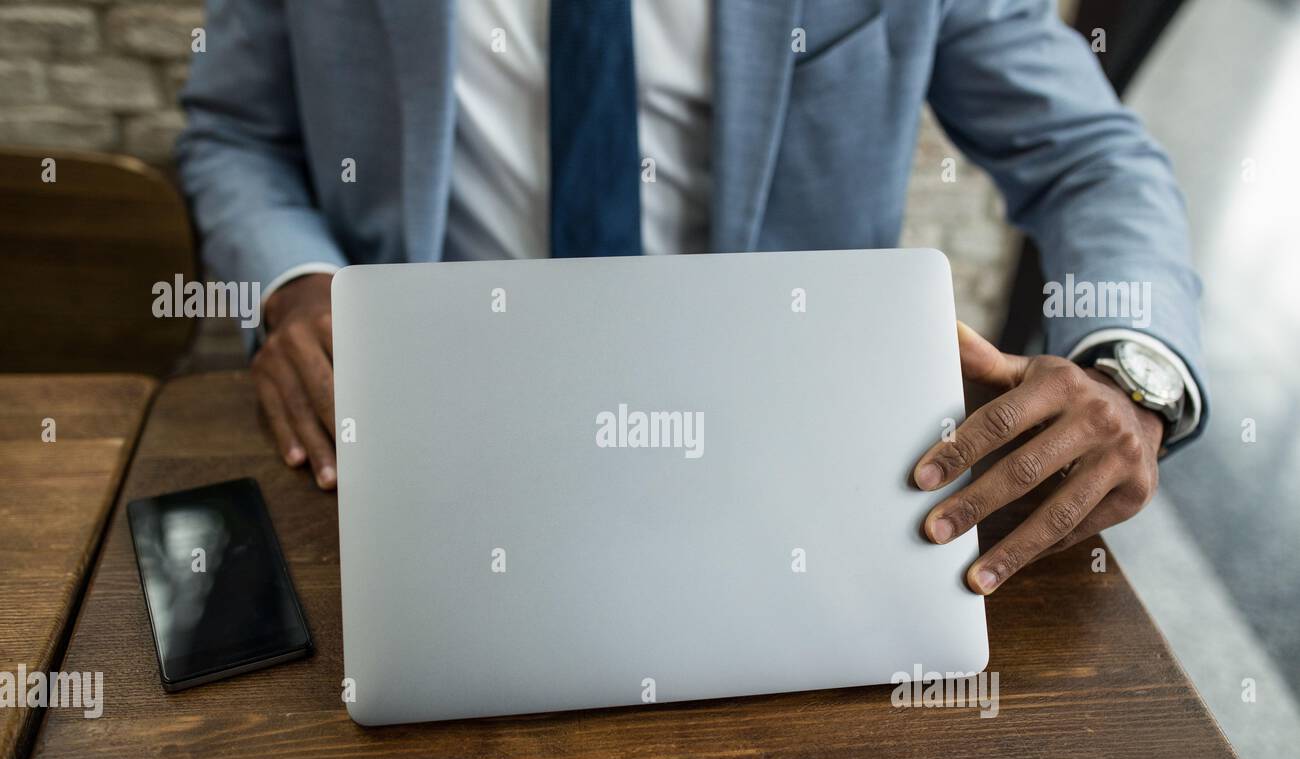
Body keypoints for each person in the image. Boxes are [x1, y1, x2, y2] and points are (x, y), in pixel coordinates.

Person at [176, 0, 1206, 594]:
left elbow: (1087, 155)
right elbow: (235, 132)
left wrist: (1131, 369)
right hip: (434, 434)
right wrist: (298, 285)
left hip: (790, 453)